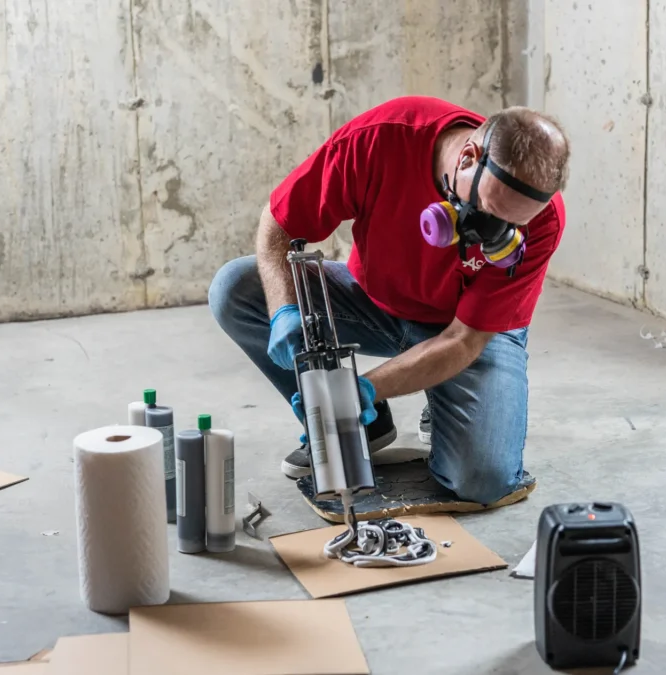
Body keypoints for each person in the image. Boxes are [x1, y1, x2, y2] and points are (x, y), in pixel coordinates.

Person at [208, 95, 570, 506]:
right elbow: (278, 224)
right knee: (236, 287)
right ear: (469, 156)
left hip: (464, 329)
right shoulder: (383, 139)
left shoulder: (544, 219)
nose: (491, 233)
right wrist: (285, 311)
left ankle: (429, 396)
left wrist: (365, 386)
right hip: (373, 303)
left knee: (482, 482)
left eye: (510, 226)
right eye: (488, 210)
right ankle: (357, 424)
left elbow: (465, 340)